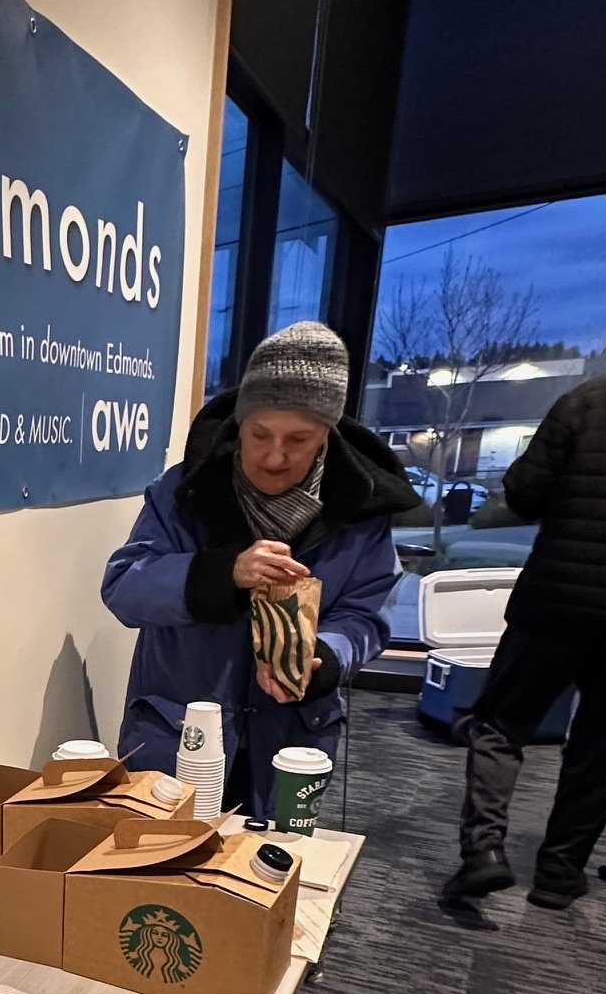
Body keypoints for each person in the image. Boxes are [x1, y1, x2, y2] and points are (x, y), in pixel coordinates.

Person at [102, 322, 418, 816]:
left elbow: (366, 613)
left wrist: (325, 658)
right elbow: (124, 586)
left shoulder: (361, 509)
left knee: (272, 874)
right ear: (240, 424)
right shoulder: (185, 490)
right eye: (260, 434)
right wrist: (221, 572)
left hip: (292, 741)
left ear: (327, 436)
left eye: (299, 438)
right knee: (159, 874)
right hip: (180, 733)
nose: (275, 457)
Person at [441, 367, 606, 911]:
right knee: (600, 747)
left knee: (501, 725)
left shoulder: (586, 401)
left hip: (554, 604)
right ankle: (558, 873)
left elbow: (523, 494)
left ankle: (484, 854)